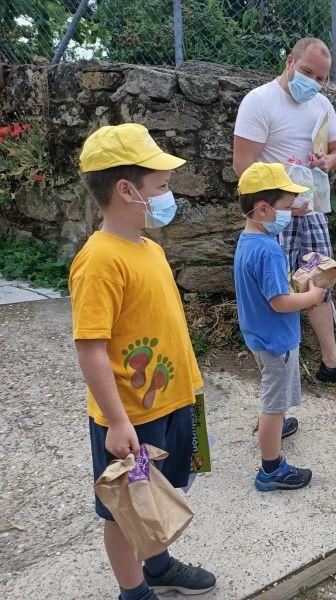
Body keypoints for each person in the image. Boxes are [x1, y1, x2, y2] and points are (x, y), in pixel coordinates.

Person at [71, 124, 216, 600]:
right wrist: (115, 422)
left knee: (163, 493)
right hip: (132, 420)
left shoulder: (149, 247)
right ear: (127, 190)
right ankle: (133, 591)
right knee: (124, 510)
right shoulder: (99, 261)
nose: (168, 196)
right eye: (162, 187)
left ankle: (157, 564)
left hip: (175, 403)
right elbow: (90, 347)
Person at [233, 36, 336, 386]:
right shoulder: (259, 101)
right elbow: (243, 168)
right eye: (308, 72)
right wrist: (278, 208)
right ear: (289, 61)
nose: (314, 83)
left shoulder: (322, 105)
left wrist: (328, 161)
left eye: (321, 78)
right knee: (274, 287)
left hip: (313, 211)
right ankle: (275, 367)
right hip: (275, 216)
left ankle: (330, 362)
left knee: (320, 278)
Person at [234, 162, 327, 491]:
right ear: (263, 209)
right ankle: (271, 468)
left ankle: (272, 426)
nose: (292, 212)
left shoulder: (247, 241)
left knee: (274, 392)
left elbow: (267, 292)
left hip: (259, 335)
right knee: (273, 402)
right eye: (286, 207)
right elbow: (279, 303)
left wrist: (294, 288)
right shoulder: (270, 250)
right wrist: (313, 295)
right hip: (277, 340)